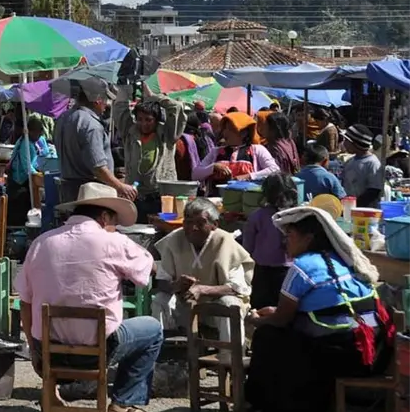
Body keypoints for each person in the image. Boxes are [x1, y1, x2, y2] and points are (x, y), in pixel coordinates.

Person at [16, 183, 160, 412]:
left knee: (49, 317)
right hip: (98, 352)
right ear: (104, 217)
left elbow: (24, 301)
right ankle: (122, 402)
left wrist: (34, 349)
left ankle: (50, 393)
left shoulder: (41, 243)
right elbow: (148, 267)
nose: (115, 228)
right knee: (152, 330)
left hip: (49, 354)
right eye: (114, 223)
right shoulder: (113, 242)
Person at [245, 206, 396, 412]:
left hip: (345, 356)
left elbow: (281, 319)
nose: (284, 242)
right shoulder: (343, 262)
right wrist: (274, 312)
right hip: (377, 354)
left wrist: (256, 319)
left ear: (308, 238)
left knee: (267, 337)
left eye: (289, 235)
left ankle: (264, 404)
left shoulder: (302, 267)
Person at [151, 198, 253, 345]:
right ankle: (164, 355)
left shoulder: (225, 242)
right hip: (185, 305)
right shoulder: (175, 239)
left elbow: (237, 287)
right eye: (188, 222)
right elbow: (162, 280)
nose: (193, 228)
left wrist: (202, 290)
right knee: (160, 300)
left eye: (200, 223)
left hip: (215, 306)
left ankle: (231, 360)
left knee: (230, 303)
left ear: (214, 225)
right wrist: (176, 286)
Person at [54, 78, 136, 205]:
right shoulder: (90, 124)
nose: (106, 105)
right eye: (105, 99)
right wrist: (120, 186)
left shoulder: (63, 118)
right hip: (90, 194)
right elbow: (98, 168)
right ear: (98, 99)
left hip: (67, 192)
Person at [112, 84, 186, 221]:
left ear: (156, 120)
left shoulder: (167, 135)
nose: (143, 124)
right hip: (136, 197)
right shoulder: (130, 132)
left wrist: (152, 96)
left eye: (148, 120)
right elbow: (119, 109)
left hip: (162, 198)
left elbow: (176, 107)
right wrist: (125, 87)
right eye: (139, 119)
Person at [243, 174, 299, 309]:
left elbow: (247, 249)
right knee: (284, 311)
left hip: (261, 273)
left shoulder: (257, 216)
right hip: (290, 272)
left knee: (260, 311)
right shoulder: (297, 216)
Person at [193, 111, 279, 187]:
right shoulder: (215, 152)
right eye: (224, 128)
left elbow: (274, 170)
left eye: (230, 129)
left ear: (243, 133)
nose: (225, 132)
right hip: (215, 200)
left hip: (245, 201)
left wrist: (249, 176)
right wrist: (213, 167)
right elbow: (195, 175)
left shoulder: (257, 150)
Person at [341, 124, 385, 207]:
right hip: (349, 208)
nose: (344, 143)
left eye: (346, 141)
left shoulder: (372, 163)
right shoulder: (349, 162)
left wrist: (356, 204)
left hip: (365, 211)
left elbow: (374, 191)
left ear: (357, 144)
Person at [262, 112, 300, 176]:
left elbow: (273, 172)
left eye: (266, 125)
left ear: (273, 129)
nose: (263, 128)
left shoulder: (273, 148)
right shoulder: (289, 142)